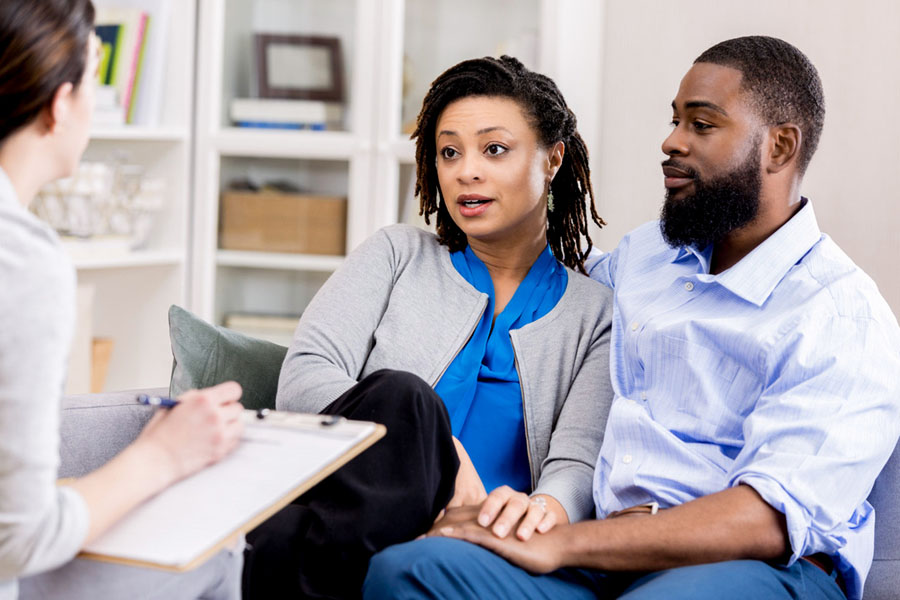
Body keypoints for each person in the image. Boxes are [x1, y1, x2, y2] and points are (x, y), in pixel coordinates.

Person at [363, 36, 900, 600]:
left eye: (702, 124)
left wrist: (563, 544)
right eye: (675, 121)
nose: (671, 142)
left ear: (780, 146)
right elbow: (546, 288)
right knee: (412, 571)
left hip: (758, 570)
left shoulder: (840, 313)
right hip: (607, 561)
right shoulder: (646, 258)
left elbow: (768, 518)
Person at [241, 55, 614, 598]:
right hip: (359, 508)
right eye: (449, 152)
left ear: (553, 158)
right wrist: (439, 450)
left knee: (281, 535)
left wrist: (533, 516)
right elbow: (303, 379)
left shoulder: (595, 313)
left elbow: (577, 463)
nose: (467, 171)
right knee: (405, 399)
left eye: (494, 149)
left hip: (485, 540)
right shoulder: (396, 255)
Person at [0, 2, 246, 598]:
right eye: (91, 84)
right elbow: (19, 538)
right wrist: (162, 457)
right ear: (60, 106)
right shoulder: (24, 261)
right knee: (216, 550)